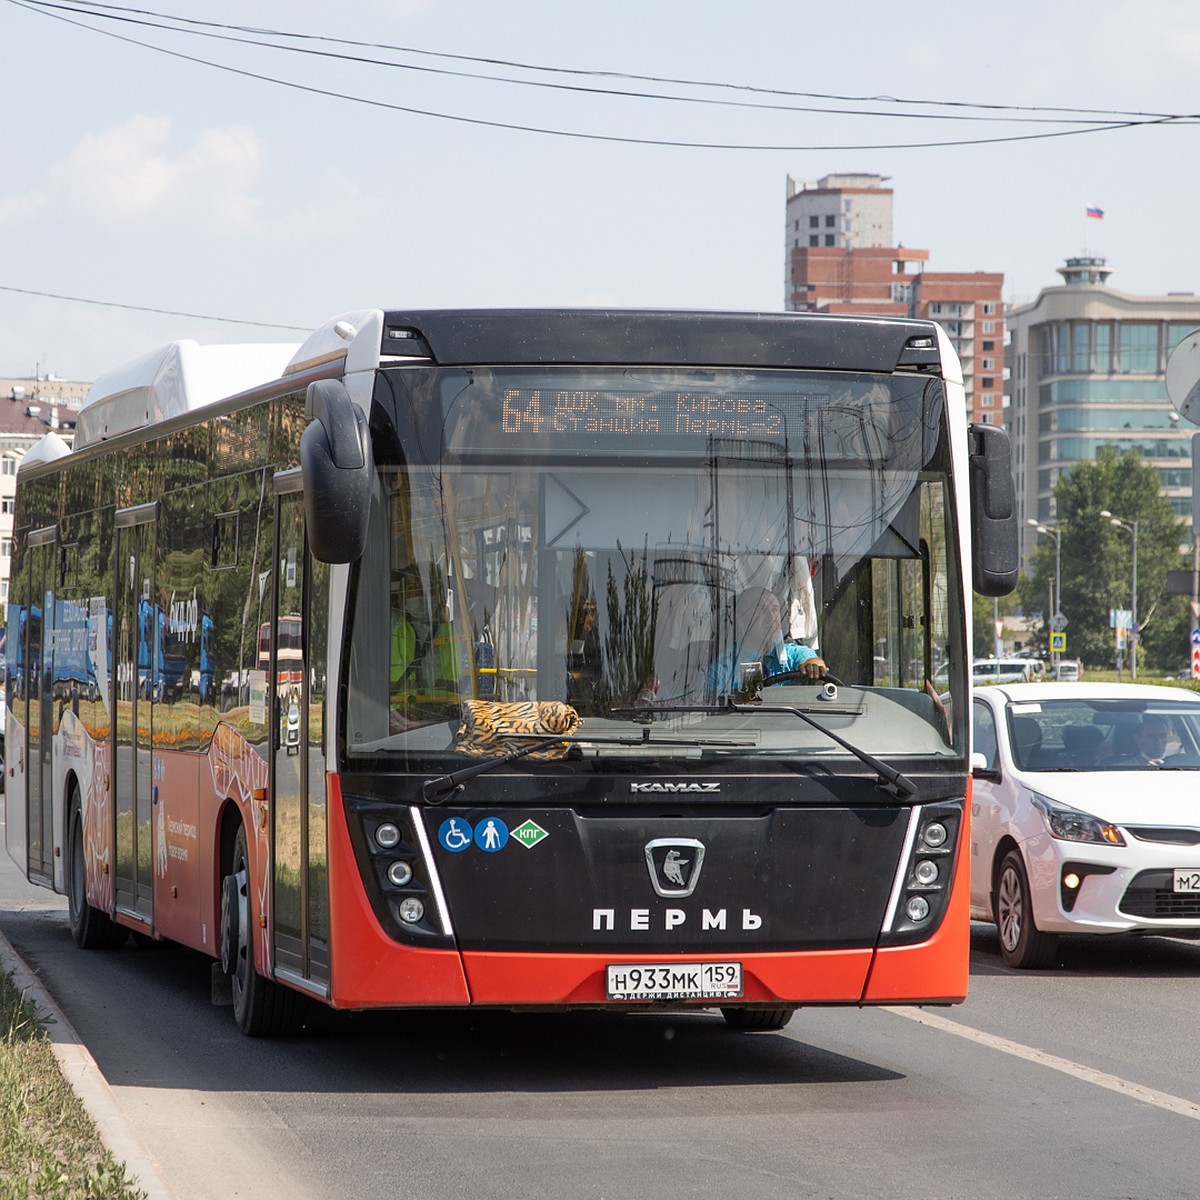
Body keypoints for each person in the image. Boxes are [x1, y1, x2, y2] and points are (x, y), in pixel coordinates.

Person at [705, 586, 826, 695]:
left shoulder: (792, 655)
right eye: (761, 610)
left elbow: (811, 660)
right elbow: (711, 714)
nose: (771, 618)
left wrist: (813, 666)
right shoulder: (721, 670)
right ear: (740, 621)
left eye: (774, 610)